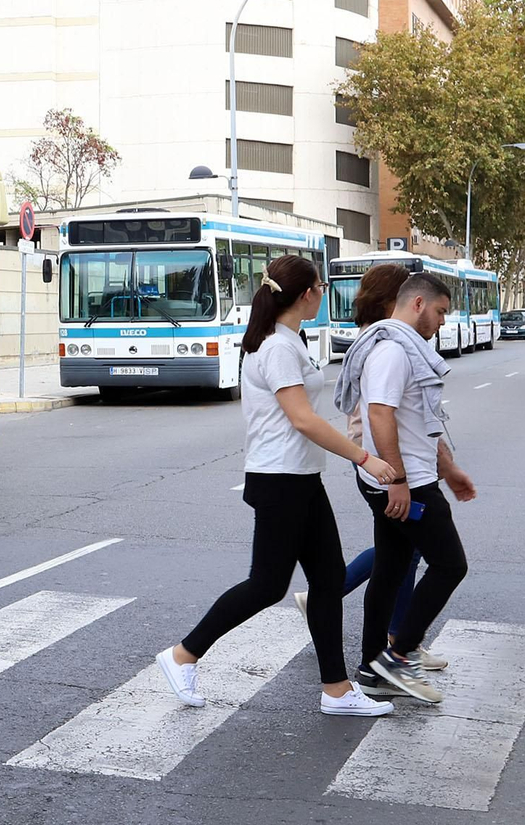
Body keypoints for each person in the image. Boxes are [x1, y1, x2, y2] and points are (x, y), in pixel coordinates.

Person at [157, 254, 400, 717]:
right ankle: (183, 654)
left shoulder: (289, 339)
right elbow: (303, 419)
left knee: (328, 580)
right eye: (322, 287)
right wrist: (365, 457)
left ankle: (337, 690)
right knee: (267, 585)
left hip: (301, 477)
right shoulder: (277, 347)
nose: (325, 293)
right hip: (281, 480)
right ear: (306, 294)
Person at [335, 272, 477, 703]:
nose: (441, 322)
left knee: (391, 569)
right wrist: (398, 480)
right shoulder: (394, 352)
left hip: (402, 478)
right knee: (450, 565)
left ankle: (372, 665)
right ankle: (396, 657)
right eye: (439, 312)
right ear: (417, 304)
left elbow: (416, 423)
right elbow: (380, 416)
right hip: (405, 482)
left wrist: (447, 470)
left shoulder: (399, 348)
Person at [294, 263, 440, 672]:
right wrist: (393, 473)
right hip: (378, 464)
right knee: (414, 554)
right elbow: (379, 415)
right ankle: (395, 640)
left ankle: (392, 639)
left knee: (400, 552)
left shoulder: (386, 337)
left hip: (379, 463)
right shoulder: (384, 343)